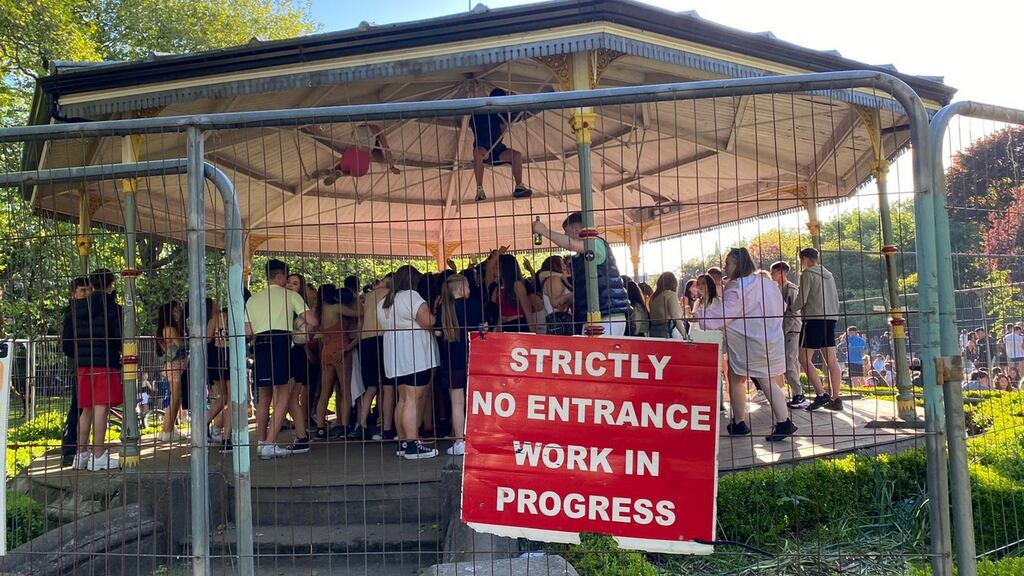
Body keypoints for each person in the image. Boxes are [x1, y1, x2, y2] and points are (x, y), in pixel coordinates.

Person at [699, 248, 796, 442]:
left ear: (737, 264)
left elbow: (723, 315)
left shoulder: (737, 287)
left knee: (741, 379)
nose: (725, 267)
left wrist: (701, 311)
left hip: (749, 342)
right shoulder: (768, 284)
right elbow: (782, 308)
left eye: (728, 263)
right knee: (757, 378)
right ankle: (769, 421)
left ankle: (745, 422)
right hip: (769, 338)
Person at [245, 259, 319, 460]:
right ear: (279, 276)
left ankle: (261, 441)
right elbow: (312, 321)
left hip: (259, 345)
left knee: (264, 396)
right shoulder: (291, 295)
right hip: (281, 343)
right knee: (283, 394)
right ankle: (270, 442)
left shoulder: (252, 300)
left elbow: (248, 331)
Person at [62, 269, 123, 470]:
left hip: (82, 364)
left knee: (85, 408)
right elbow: (118, 337)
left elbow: (69, 342)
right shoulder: (113, 308)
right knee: (101, 408)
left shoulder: (76, 309)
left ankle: (81, 454)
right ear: (110, 285)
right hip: (104, 362)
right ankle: (98, 454)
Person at [532, 212, 630, 335]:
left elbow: (571, 244)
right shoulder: (581, 257)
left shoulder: (596, 244)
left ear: (576, 229)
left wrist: (544, 231)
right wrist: (572, 297)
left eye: (566, 232)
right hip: (593, 315)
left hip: (607, 314)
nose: (565, 236)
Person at [378, 265, 440, 459]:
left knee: (403, 398)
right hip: (414, 354)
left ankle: (404, 441)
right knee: (413, 398)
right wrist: (437, 312)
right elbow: (428, 321)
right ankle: (413, 444)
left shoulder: (384, 302)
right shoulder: (411, 296)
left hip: (394, 353)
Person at [436, 274, 483, 456]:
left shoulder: (444, 309)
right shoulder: (474, 306)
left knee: (457, 402)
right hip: (474, 358)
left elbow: (438, 333)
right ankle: (478, 436)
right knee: (476, 400)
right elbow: (483, 328)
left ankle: (459, 441)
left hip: (451, 361)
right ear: (462, 288)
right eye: (469, 287)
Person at [794, 248, 844, 412]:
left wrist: (791, 309)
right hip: (830, 318)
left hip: (813, 319)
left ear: (805, 259)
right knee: (831, 359)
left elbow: (801, 299)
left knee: (803, 358)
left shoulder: (807, 274)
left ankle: (821, 394)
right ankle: (837, 397)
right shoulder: (829, 275)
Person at [470, 88, 532, 201]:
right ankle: (480, 188)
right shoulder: (480, 114)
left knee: (516, 155)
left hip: (497, 149)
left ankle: (519, 186)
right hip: (484, 147)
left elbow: (512, 119)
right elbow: (499, 129)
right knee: (477, 153)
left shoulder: (502, 113)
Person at [356, 276, 397, 442]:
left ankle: (361, 424)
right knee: (388, 385)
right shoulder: (390, 294)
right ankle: (386, 427)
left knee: (371, 386)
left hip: (366, 339)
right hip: (382, 337)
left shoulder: (368, 296)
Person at [60, 276, 92, 467]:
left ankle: (81, 447)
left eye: (89, 290)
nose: (86, 293)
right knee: (78, 406)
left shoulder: (89, 311)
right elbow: (67, 345)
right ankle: (70, 448)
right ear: (74, 293)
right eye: (82, 290)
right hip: (80, 364)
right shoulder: (72, 314)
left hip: (89, 363)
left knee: (86, 406)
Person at [769, 261, 807, 408]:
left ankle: (799, 393)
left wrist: (781, 330)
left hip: (790, 329)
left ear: (781, 273)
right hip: (785, 329)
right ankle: (797, 392)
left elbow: (792, 312)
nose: (772, 275)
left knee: (789, 361)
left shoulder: (791, 289)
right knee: (791, 361)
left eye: (773, 273)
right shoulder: (779, 288)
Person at [323, 123, 401, 184]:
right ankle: (340, 173)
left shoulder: (355, 129)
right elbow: (386, 148)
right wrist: (392, 167)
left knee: (344, 166)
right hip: (362, 156)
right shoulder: (376, 129)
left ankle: (332, 171)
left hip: (349, 153)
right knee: (360, 173)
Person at [156, 301, 188, 442]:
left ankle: (168, 428)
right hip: (175, 364)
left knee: (176, 397)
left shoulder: (167, 328)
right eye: (175, 311)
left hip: (175, 364)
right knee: (175, 397)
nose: (178, 314)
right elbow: (181, 344)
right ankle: (167, 429)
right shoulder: (169, 328)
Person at [205, 299, 233, 452]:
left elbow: (208, 338)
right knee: (231, 398)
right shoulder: (236, 316)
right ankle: (227, 438)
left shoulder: (216, 318)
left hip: (216, 357)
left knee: (222, 396)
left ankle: (204, 425)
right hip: (230, 355)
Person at [489, 253, 536, 333]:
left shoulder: (517, 285)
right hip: (504, 328)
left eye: (497, 266)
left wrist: (533, 332)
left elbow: (527, 310)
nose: (494, 269)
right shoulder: (496, 289)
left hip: (518, 326)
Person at [539, 255, 574, 336]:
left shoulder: (557, 278)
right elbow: (556, 303)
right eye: (562, 263)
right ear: (555, 265)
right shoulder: (554, 279)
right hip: (560, 321)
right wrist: (573, 295)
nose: (565, 266)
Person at [648, 272, 686, 339]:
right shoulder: (670, 295)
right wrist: (685, 335)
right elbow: (675, 318)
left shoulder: (654, 297)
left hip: (653, 332)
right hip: (667, 332)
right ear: (674, 283)